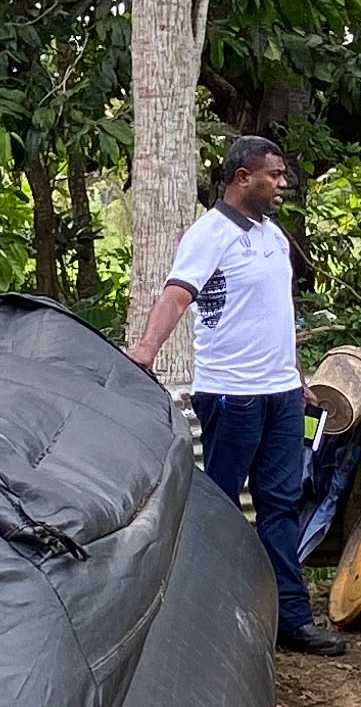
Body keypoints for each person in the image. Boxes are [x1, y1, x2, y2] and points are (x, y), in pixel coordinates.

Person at [132, 135, 345, 656]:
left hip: (280, 396)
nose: (282, 184)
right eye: (272, 175)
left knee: (280, 502)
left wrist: (294, 373)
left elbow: (275, 311)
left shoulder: (272, 236)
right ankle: (210, 617)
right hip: (232, 395)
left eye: (282, 174)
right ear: (241, 177)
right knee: (221, 505)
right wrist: (145, 349)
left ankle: (291, 620)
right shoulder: (210, 235)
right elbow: (177, 294)